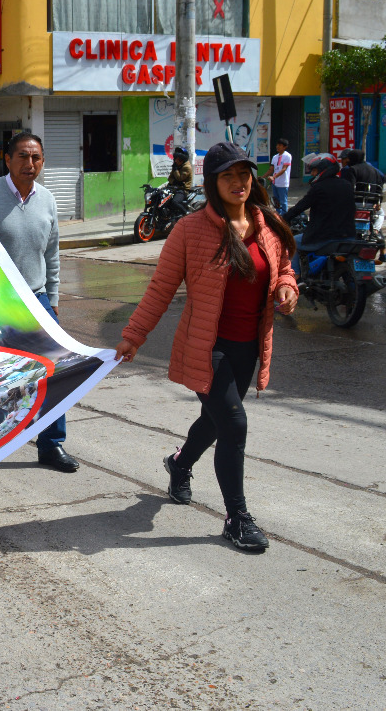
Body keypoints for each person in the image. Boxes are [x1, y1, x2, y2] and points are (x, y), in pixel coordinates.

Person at [114, 141, 298, 552]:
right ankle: (237, 518)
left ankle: (179, 464)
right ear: (213, 182)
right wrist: (134, 335)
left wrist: (287, 289)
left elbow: (284, 269)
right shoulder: (190, 229)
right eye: (228, 176)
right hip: (206, 346)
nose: (239, 182)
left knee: (215, 421)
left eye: (244, 174)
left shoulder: (267, 222)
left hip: (247, 345)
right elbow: (161, 288)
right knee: (233, 423)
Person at [0, 133, 76, 472]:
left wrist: (54, 296)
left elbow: (52, 252)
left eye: (35, 158)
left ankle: (51, 445)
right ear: (7, 159)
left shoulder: (47, 199)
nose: (29, 164)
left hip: (37, 299)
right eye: (22, 156)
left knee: (55, 370)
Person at [283, 152, 356, 275]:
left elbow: (300, 207)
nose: (312, 174)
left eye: (314, 171)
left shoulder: (319, 188)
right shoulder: (347, 185)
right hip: (348, 236)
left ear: (323, 170)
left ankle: (295, 276)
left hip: (324, 237)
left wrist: (283, 218)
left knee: (292, 242)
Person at [263, 138, 293, 214]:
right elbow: (271, 169)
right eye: (277, 145)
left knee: (283, 201)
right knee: (276, 201)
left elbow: (284, 169)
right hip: (275, 183)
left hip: (283, 183)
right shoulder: (275, 157)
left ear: (284, 147)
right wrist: (263, 177)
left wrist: (274, 177)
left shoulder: (287, 156)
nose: (277, 146)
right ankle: (278, 216)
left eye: (280, 145)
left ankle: (284, 216)